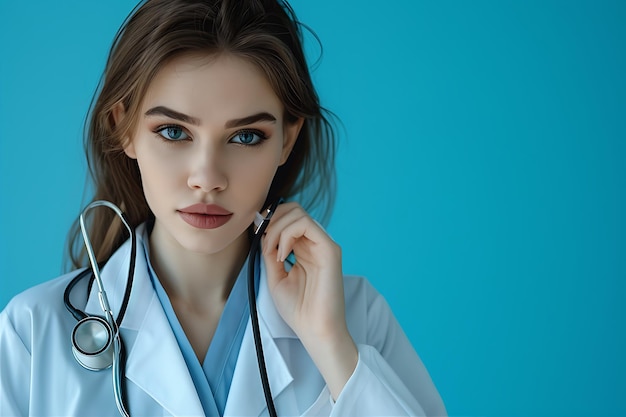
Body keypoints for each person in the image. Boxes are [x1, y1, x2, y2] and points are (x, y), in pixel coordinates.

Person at [0, 0, 446, 415]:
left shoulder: (356, 318)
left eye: (246, 136)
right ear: (124, 128)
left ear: (286, 140)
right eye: (173, 132)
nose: (208, 177)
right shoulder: (32, 333)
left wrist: (332, 348)